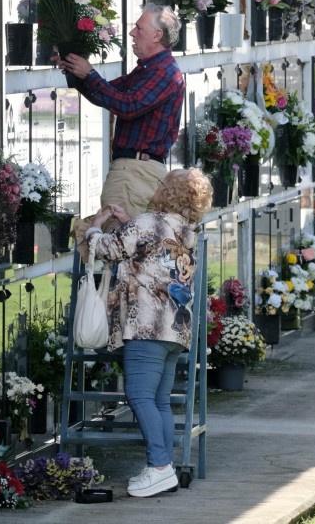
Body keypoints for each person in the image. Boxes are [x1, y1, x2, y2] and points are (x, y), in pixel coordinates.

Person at [84, 168, 211, 498]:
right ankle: (163, 467)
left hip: (146, 327)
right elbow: (146, 247)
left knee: (140, 395)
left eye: (161, 184)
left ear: (168, 193)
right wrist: (131, 221)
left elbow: (108, 249)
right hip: (174, 329)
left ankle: (159, 468)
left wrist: (95, 228)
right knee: (160, 401)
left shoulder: (147, 224)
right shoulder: (184, 231)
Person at [61, 3, 185, 256]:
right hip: (138, 171)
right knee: (132, 245)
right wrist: (74, 70)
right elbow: (107, 94)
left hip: (134, 174)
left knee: (119, 248)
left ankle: (119, 296)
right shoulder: (149, 69)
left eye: (138, 28)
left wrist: (90, 74)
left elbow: (128, 105)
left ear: (157, 36)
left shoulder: (163, 72)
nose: (132, 33)